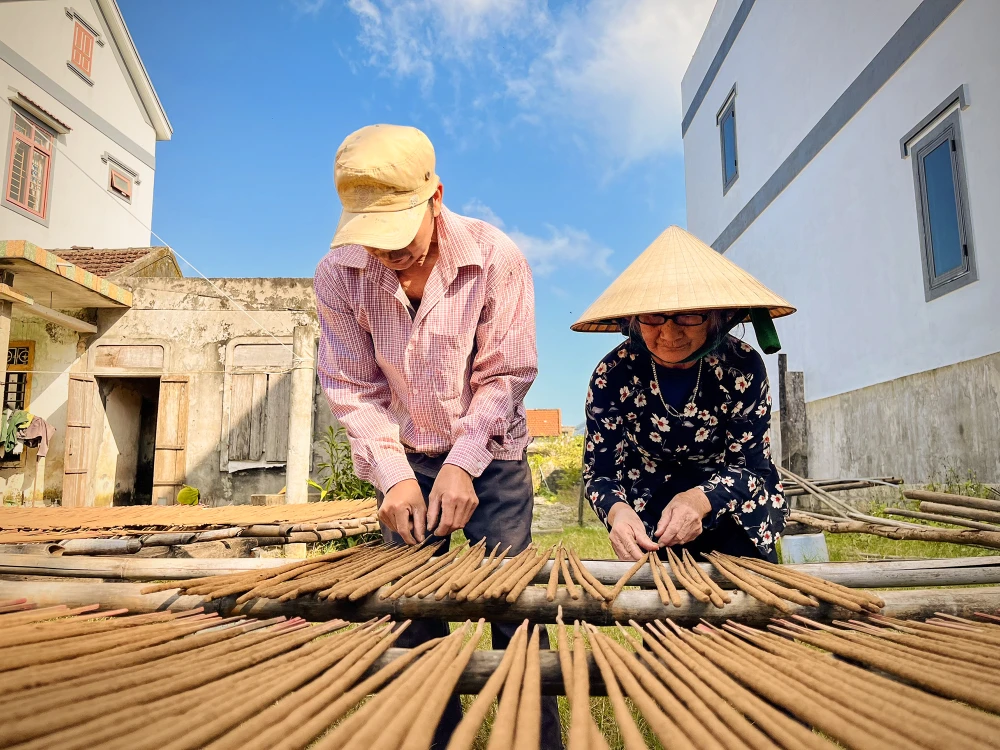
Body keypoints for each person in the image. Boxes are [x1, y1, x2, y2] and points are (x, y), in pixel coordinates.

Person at [314, 124, 561, 748]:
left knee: (513, 608)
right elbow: (351, 386)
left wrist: (463, 464)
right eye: (372, 235)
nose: (387, 251)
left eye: (397, 229)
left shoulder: (495, 256)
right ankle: (434, 738)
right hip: (403, 462)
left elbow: (505, 374)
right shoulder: (339, 274)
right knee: (409, 612)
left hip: (493, 461)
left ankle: (535, 739)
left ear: (436, 196)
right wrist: (394, 475)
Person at [571, 225, 796, 563]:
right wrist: (618, 513)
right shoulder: (613, 375)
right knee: (671, 611)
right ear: (632, 320)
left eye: (689, 315)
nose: (670, 332)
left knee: (748, 610)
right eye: (653, 316)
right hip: (653, 515)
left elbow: (750, 467)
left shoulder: (742, 368)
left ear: (716, 318)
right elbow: (600, 472)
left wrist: (698, 500)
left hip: (732, 506)